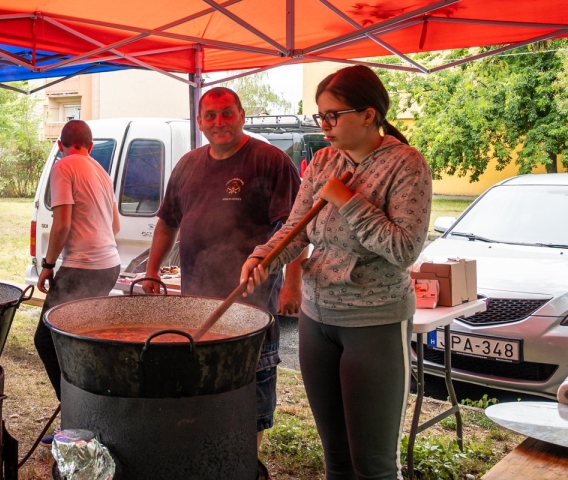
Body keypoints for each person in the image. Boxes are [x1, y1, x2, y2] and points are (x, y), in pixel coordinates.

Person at [240, 65, 432, 479]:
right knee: (337, 459)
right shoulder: (325, 160)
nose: (324, 125)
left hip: (375, 320)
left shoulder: (407, 164)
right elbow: (296, 229)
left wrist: (348, 201)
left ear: (368, 114)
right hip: (317, 319)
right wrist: (263, 257)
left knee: (374, 465)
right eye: (320, 116)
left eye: (333, 115)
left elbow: (404, 248)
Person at [141, 86, 305, 451]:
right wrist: (152, 270)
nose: (219, 122)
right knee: (202, 388)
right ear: (200, 122)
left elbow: (296, 228)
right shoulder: (188, 164)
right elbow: (168, 221)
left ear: (242, 115)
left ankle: (246, 460)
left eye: (227, 113)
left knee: (252, 393)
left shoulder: (269, 160)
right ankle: (208, 455)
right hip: (196, 303)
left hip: (251, 306)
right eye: (211, 116)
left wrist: (292, 285)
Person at [34, 120, 121, 400]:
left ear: (60, 146)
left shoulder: (63, 166)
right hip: (109, 266)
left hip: (84, 268)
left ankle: (76, 412)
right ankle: (88, 408)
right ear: (90, 147)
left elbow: (61, 225)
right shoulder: (101, 171)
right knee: (81, 339)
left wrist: (47, 265)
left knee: (47, 339)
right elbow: (115, 226)